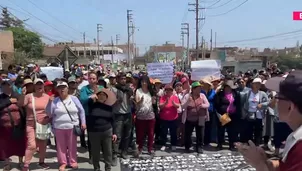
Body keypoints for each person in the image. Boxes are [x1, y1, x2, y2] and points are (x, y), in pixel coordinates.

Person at [236, 70, 302, 171]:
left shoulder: (300, 147)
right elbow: (283, 166)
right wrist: (264, 161)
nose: (275, 102)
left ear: (291, 106)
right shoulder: (294, 137)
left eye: (278, 97)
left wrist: (259, 164)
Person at [46, 81, 86, 171]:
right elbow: (49, 113)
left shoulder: (74, 98)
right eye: (60, 88)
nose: (62, 89)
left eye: (64, 87)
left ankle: (72, 161)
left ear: (67, 88)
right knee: (61, 147)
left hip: (72, 126)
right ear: (57, 90)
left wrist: (83, 122)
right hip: (59, 127)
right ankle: (63, 163)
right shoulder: (55, 100)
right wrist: (49, 102)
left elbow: (81, 110)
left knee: (72, 145)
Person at [23, 78, 51, 171]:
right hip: (31, 124)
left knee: (43, 145)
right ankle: (26, 164)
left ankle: (41, 162)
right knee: (32, 145)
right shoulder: (29, 96)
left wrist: (49, 118)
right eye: (37, 84)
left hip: (43, 124)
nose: (39, 86)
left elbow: (51, 110)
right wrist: (22, 95)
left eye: (41, 84)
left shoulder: (47, 97)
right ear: (34, 86)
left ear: (43, 86)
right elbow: (21, 105)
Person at [87, 87, 117, 171]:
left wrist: (114, 133)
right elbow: (87, 102)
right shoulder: (92, 105)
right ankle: (96, 168)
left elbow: (113, 121)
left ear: (106, 98)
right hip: (94, 132)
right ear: (97, 96)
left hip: (107, 131)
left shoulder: (109, 107)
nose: (102, 96)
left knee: (108, 152)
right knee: (95, 152)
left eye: (104, 95)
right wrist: (92, 97)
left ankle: (108, 168)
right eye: (100, 94)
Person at [0, 80, 26, 170]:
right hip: (4, 126)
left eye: (7, 85)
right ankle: (7, 163)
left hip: (18, 125)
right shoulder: (1, 97)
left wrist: (22, 95)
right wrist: (9, 101)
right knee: (5, 145)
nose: (5, 87)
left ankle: (21, 162)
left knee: (20, 144)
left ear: (11, 86)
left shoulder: (17, 95)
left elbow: (22, 105)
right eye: (3, 86)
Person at [182, 82, 210, 154]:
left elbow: (208, 104)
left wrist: (202, 105)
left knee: (200, 134)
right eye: (198, 88)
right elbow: (182, 107)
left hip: (200, 118)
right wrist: (188, 101)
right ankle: (187, 146)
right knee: (188, 134)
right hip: (189, 118)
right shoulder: (187, 96)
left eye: (200, 88)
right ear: (193, 89)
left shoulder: (202, 96)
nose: (199, 90)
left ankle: (199, 147)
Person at [214, 80, 241, 150]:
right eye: (226, 87)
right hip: (223, 115)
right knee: (221, 130)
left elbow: (238, 104)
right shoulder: (220, 94)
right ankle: (220, 144)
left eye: (229, 87)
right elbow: (216, 104)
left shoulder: (235, 94)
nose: (228, 88)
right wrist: (219, 114)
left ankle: (231, 145)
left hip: (232, 115)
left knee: (231, 131)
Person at [135, 75, 156, 156]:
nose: (144, 83)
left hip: (150, 116)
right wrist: (140, 101)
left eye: (145, 81)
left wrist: (154, 101)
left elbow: (153, 104)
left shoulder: (151, 91)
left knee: (151, 133)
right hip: (141, 116)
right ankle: (139, 148)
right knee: (140, 134)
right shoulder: (138, 91)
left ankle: (150, 148)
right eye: (142, 81)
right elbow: (137, 103)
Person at [159, 84, 180, 151]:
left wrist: (173, 103)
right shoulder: (162, 97)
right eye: (167, 90)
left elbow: (178, 106)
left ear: (172, 91)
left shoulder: (175, 97)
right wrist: (165, 103)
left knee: (173, 132)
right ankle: (163, 144)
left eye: (170, 90)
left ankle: (173, 144)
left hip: (173, 118)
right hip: (164, 118)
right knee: (163, 133)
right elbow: (160, 106)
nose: (168, 91)